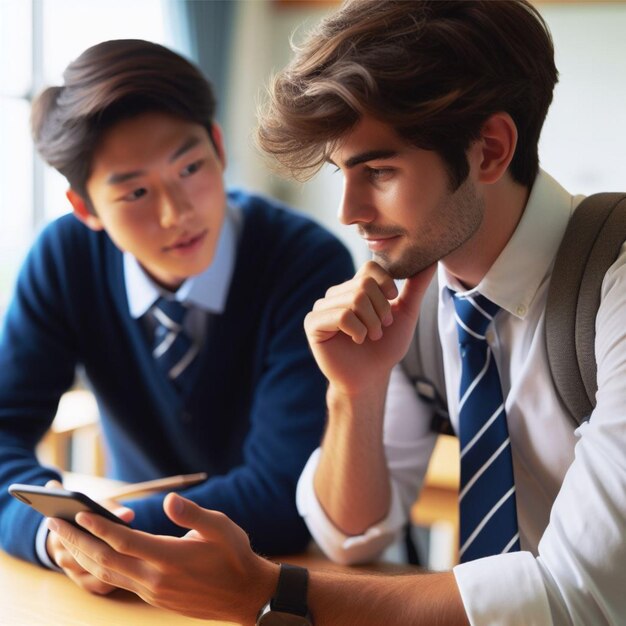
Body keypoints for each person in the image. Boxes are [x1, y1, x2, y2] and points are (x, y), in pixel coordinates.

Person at [44, 1, 626, 624]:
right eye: (339, 171)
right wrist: (357, 389)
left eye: (377, 170)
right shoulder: (422, 291)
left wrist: (268, 591)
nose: (347, 211)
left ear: (489, 149)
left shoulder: (612, 285)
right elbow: (354, 537)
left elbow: (581, 593)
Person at [0, 38, 355, 595]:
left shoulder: (305, 263)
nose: (178, 212)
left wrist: (109, 537)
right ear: (85, 208)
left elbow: (287, 491)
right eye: (136, 191)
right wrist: (52, 537)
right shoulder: (64, 258)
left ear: (217, 146)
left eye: (190, 167)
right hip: (135, 593)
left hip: (287, 577)